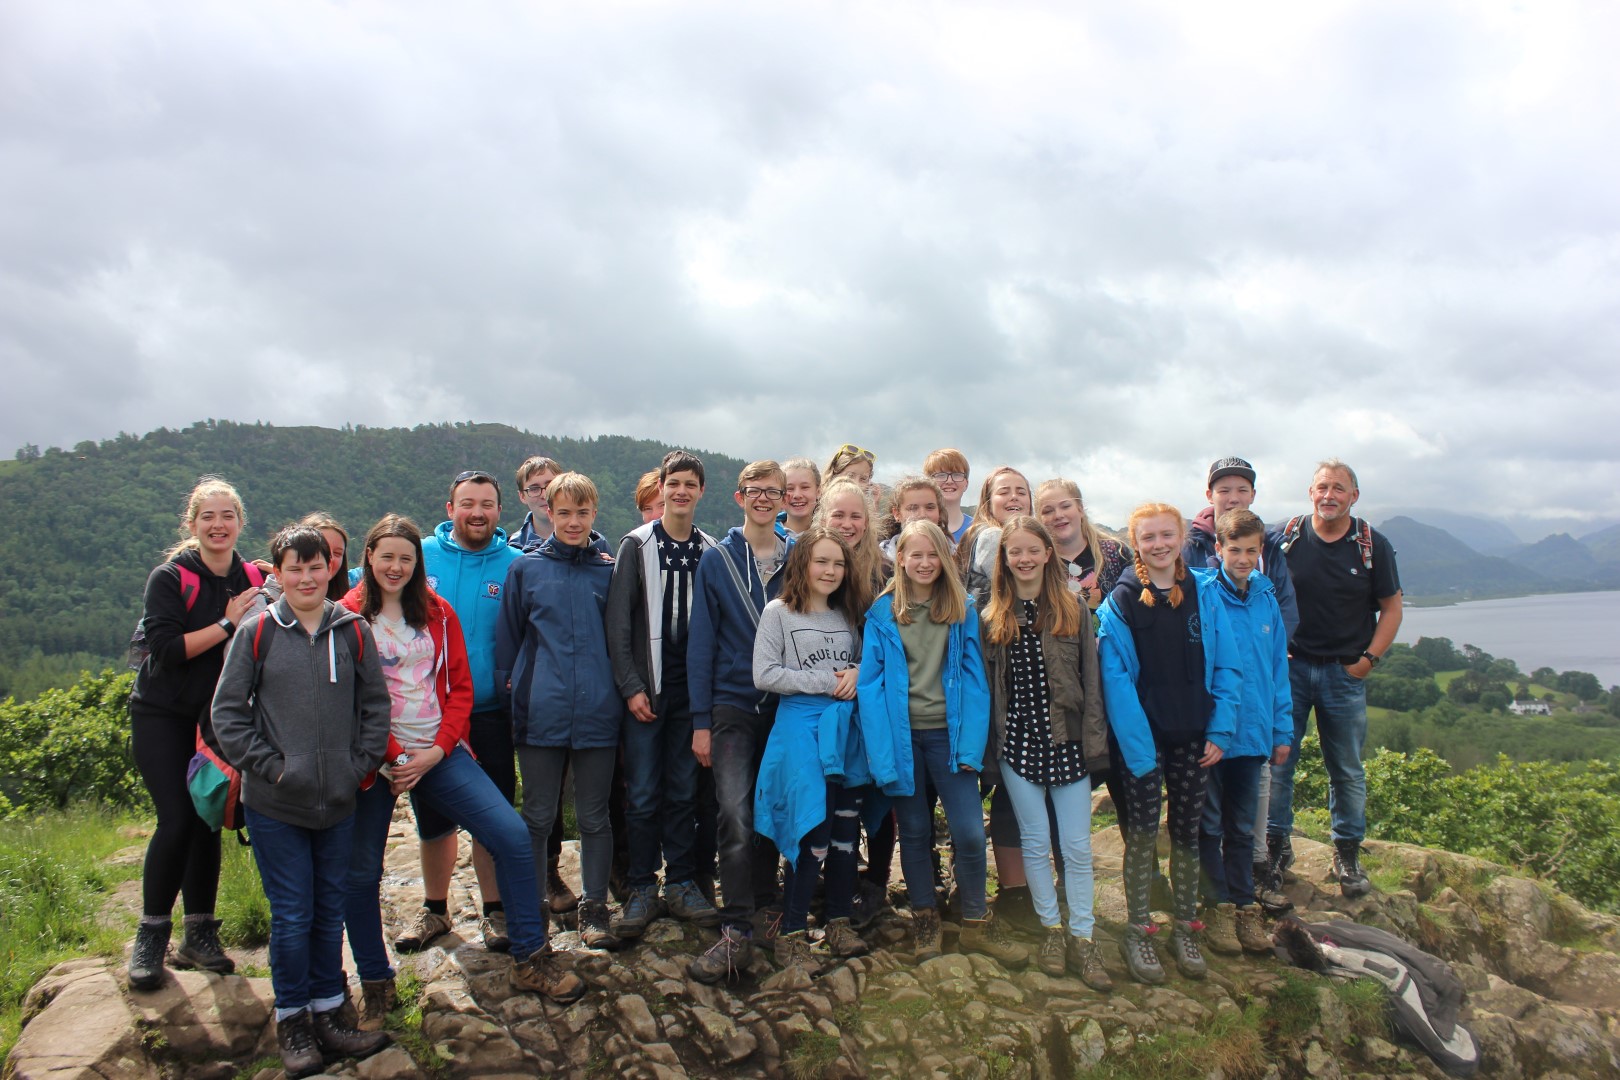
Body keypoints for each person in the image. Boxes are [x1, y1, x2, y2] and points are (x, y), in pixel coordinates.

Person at [341, 515, 581, 1031]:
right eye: (386, 556)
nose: (396, 566)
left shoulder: (436, 612)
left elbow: (460, 690)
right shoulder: (346, 618)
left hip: (437, 752)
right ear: (369, 558)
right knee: (359, 873)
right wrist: (392, 754)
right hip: (370, 762)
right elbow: (350, 701)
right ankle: (376, 983)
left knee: (512, 836)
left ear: (418, 564)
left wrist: (437, 748)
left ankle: (530, 956)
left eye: (406, 558)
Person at [210, 525, 392, 1077]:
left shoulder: (353, 631)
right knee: (292, 915)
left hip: (338, 801)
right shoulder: (258, 632)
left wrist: (357, 767)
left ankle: (329, 1014)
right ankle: (292, 1021)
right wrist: (272, 768)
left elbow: (375, 709)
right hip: (277, 805)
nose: (307, 577)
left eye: (316, 567)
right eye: (294, 569)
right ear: (278, 573)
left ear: (328, 570)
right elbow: (228, 714)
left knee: (326, 911)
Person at [857, 520, 1030, 969]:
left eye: (933, 554)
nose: (924, 563)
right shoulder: (882, 613)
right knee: (913, 833)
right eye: (915, 555)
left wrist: (971, 747)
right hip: (902, 739)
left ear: (945, 558)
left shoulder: (961, 608)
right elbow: (871, 689)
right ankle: (925, 919)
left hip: (949, 738)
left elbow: (975, 681)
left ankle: (975, 920)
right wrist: (882, 753)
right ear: (901, 559)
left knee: (971, 833)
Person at [126, 477, 265, 991]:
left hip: (217, 720)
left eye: (227, 515)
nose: (218, 524)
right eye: (208, 516)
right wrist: (228, 625)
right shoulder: (171, 577)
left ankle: (200, 935)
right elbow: (164, 649)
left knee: (208, 818)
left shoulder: (253, 576)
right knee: (178, 818)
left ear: (240, 522)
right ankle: (151, 936)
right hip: (162, 714)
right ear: (192, 524)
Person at [1097, 503, 1240, 985]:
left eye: (1167, 535)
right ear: (1135, 543)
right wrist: (1139, 754)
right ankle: (1139, 929)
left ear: (1182, 537)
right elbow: (1115, 682)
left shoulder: (1205, 591)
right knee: (1141, 835)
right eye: (1148, 537)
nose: (1159, 544)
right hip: (1143, 741)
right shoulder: (1121, 601)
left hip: (1195, 736)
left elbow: (1227, 665)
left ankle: (1186, 925)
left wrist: (1221, 730)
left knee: (1187, 832)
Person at [980, 517, 1113, 989]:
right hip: (1017, 743)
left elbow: (1092, 684)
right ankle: (1051, 929)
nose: (1024, 559)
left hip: (1068, 742)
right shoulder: (992, 614)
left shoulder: (1072, 608)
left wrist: (1095, 744)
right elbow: (991, 691)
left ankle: (1083, 935)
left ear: (1047, 554)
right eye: (1015, 551)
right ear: (1005, 559)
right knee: (1035, 842)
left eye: (1033, 550)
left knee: (1076, 847)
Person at [497, 474, 625, 953]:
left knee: (595, 817)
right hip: (540, 712)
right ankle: (532, 911)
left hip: (598, 713)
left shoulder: (609, 572)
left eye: (583, 513)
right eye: (564, 513)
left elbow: (622, 641)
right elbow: (508, 645)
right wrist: (515, 696)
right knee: (537, 816)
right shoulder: (525, 571)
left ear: (595, 514)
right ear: (548, 512)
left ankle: (595, 908)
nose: (573, 522)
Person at [1266, 459, 1403, 898]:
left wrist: (1368, 660)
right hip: (1292, 667)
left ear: (1354, 497)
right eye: (1322, 487)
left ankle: (1346, 851)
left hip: (1344, 673)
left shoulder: (1370, 545)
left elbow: (1392, 606)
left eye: (1339, 489)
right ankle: (1275, 844)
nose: (1329, 495)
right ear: (1310, 492)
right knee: (1280, 759)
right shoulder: (1283, 540)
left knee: (1345, 767)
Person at [404, 470, 527, 955]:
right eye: (468, 503)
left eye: (487, 504)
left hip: (490, 713)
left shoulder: (516, 564)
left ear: (500, 511)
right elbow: (359, 587)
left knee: (492, 815)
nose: (478, 512)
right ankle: (436, 909)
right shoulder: (420, 559)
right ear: (450, 507)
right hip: (427, 718)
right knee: (432, 820)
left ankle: (495, 910)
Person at [743, 527, 874, 976]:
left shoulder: (849, 615)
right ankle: (793, 932)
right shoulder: (778, 612)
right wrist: (829, 682)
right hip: (799, 732)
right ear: (802, 564)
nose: (831, 571)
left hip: (844, 733)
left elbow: (865, 664)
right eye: (821, 561)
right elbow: (764, 673)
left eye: (838, 563)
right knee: (810, 831)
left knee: (843, 832)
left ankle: (837, 922)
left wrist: (855, 671)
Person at [606, 450, 723, 937]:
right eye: (672, 483)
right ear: (662, 486)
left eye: (689, 484)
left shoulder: (711, 550)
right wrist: (631, 686)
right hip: (646, 692)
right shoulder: (636, 545)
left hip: (688, 691)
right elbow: (617, 622)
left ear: (700, 492)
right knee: (643, 793)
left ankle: (680, 883)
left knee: (681, 791)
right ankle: (640, 886)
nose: (680, 491)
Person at [685, 462, 791, 981]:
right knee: (734, 812)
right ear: (739, 496)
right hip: (730, 705)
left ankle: (767, 908)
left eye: (774, 492)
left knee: (774, 807)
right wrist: (700, 721)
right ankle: (735, 928)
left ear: (785, 499)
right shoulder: (718, 559)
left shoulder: (799, 558)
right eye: (755, 491)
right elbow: (700, 643)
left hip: (786, 704)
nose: (764, 499)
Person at [1197, 509, 1293, 957]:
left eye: (1251, 551)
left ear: (1261, 553)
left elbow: (1277, 670)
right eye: (1233, 549)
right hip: (1213, 736)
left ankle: (1243, 907)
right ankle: (1215, 908)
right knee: (1209, 823)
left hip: (1254, 734)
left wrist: (1281, 728)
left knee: (1240, 827)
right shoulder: (1204, 594)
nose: (1242, 558)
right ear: (1218, 549)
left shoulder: (1267, 600)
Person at [1035, 479, 1134, 612]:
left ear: (1080, 509)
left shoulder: (1116, 553)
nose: (1058, 515)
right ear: (1039, 520)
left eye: (1065, 506)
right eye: (1047, 511)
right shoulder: (1038, 562)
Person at [958, 466, 1032, 607]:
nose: (1014, 497)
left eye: (1021, 492)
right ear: (988, 501)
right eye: (1004, 492)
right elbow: (1016, 591)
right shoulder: (993, 536)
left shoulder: (978, 532)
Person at [878, 476, 947, 568]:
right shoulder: (879, 562)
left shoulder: (956, 558)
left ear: (939, 512)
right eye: (913, 508)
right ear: (897, 514)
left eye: (930, 507)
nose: (922, 515)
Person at [512, 456, 564, 552]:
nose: (544, 495)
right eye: (534, 489)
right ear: (522, 496)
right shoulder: (512, 549)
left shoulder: (594, 544)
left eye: (550, 486)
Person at [923, 448, 973, 546]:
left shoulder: (977, 529)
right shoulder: (919, 528)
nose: (949, 481)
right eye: (941, 475)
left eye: (957, 475)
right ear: (928, 483)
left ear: (966, 484)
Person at [778, 457, 822, 538]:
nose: (797, 495)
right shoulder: (767, 534)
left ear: (818, 492)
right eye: (789, 489)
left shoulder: (828, 537)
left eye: (805, 487)